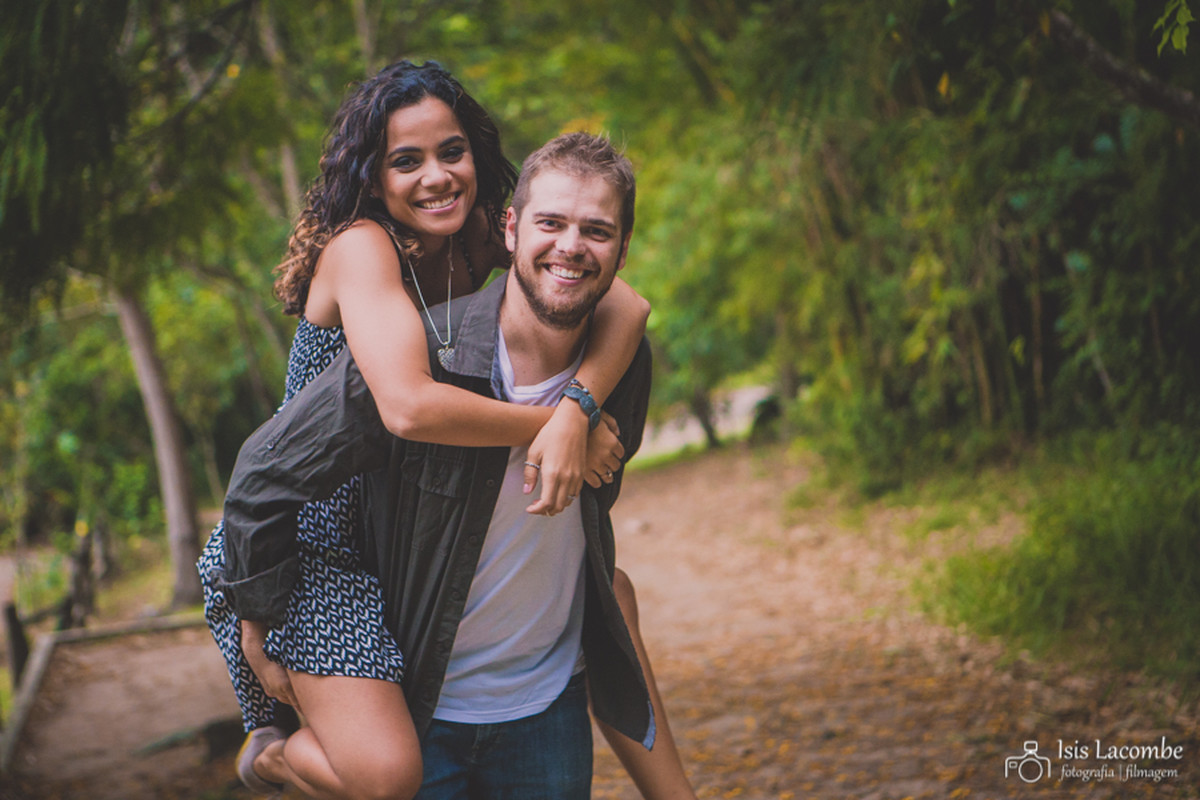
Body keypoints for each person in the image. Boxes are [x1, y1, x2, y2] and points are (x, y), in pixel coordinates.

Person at [198, 62, 693, 799]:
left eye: (451, 152)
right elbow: (406, 405)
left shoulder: (473, 243)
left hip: (388, 532)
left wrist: (577, 410)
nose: (436, 176)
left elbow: (624, 304)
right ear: (372, 177)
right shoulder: (364, 247)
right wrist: (549, 430)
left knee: (608, 589)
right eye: (406, 160)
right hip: (302, 536)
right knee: (392, 774)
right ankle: (272, 757)